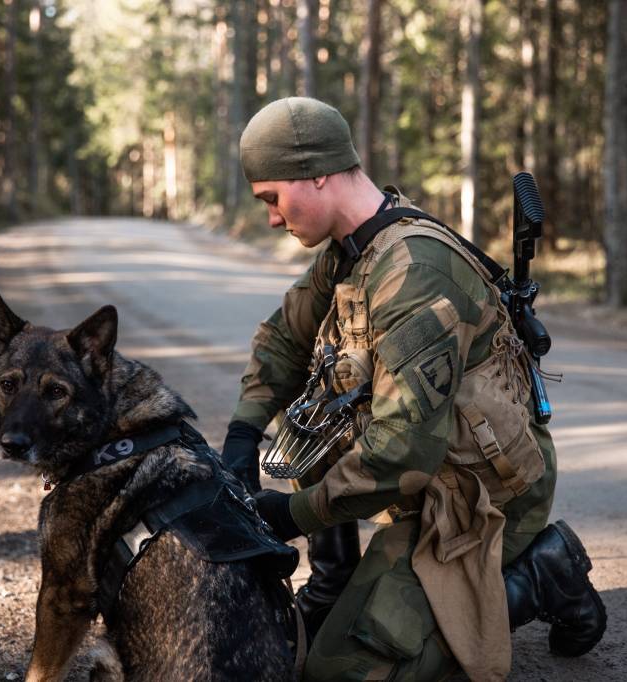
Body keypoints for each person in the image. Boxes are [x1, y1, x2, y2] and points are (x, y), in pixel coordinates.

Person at [219, 96, 606, 681]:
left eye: (273, 197)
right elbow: (283, 339)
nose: (272, 216)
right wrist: (244, 433)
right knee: (313, 413)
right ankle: (337, 582)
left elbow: (402, 451)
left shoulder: (412, 272)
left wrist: (292, 514)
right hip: (417, 483)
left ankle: (540, 576)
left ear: (316, 173)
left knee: (344, 674)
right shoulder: (354, 250)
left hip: (480, 496)